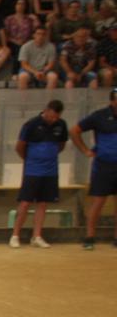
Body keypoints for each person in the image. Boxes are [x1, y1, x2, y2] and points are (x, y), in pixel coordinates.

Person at [11, 99, 67, 249]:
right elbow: (20, 146)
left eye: (56, 117)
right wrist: (30, 160)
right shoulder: (31, 124)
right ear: (46, 110)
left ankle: (37, 236)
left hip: (51, 171)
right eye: (51, 116)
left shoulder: (61, 125)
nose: (53, 119)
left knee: (43, 203)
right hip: (32, 170)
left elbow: (61, 145)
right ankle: (15, 235)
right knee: (25, 202)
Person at [69, 90, 117, 250]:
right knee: (98, 201)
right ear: (112, 101)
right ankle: (89, 236)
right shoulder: (99, 116)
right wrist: (85, 150)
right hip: (103, 165)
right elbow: (74, 130)